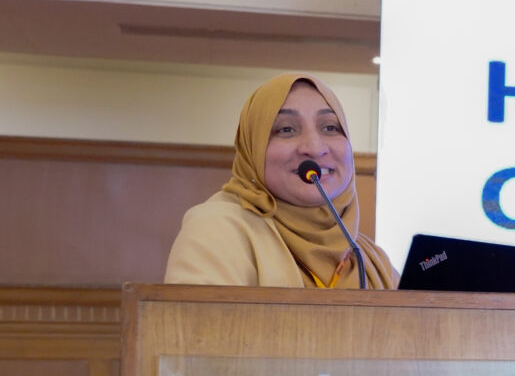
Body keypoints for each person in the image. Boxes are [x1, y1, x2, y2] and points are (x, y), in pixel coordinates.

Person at [165, 72, 398, 288]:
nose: (314, 149)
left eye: (330, 127)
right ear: (253, 149)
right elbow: (194, 331)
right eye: (286, 130)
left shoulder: (368, 259)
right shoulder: (217, 230)